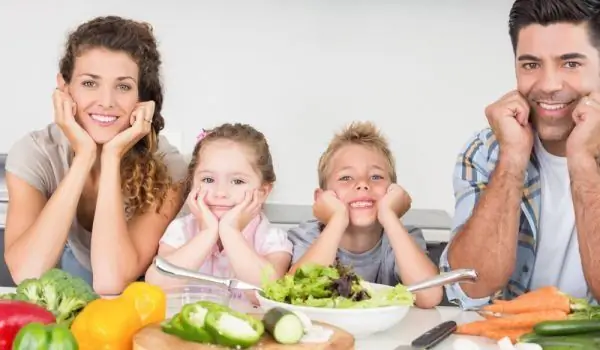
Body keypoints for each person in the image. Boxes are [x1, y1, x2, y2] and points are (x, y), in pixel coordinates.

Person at [4, 16, 188, 294]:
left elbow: (111, 281)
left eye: (123, 86)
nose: (106, 101)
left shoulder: (168, 165)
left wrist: (111, 157)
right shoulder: (34, 154)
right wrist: (84, 157)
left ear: (142, 98)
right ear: (64, 88)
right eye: (90, 83)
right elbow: (27, 273)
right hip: (65, 292)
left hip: (137, 300)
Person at [440, 0, 600, 309]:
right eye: (531, 65)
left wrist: (581, 162)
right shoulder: (487, 151)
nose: (549, 85)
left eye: (571, 63)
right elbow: (469, 287)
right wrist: (512, 158)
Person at [287, 121, 443, 309]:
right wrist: (337, 220)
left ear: (393, 191)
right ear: (322, 198)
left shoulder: (403, 238)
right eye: (346, 178)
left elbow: (430, 296)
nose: (362, 184)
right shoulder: (307, 236)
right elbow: (294, 294)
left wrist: (390, 217)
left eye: (376, 177)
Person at [145, 123, 293, 299]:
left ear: (262, 192)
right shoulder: (181, 231)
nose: (220, 192)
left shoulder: (271, 239)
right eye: (208, 179)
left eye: (237, 181)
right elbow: (157, 285)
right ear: (192, 183)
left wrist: (230, 231)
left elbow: (269, 292)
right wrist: (208, 233)